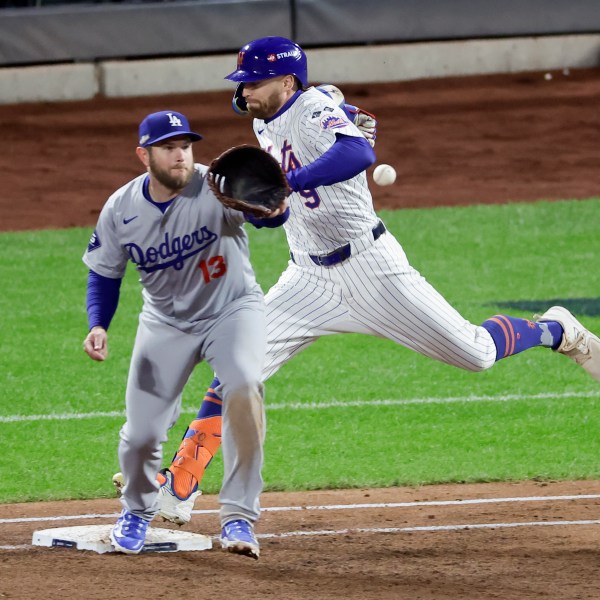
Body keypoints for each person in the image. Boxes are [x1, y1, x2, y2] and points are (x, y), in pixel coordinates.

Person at [116, 37, 600, 533]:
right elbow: (276, 211)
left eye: (253, 82)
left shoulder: (308, 110)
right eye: (242, 83)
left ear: (287, 82)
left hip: (372, 271)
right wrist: (269, 208)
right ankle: (181, 482)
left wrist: (298, 174)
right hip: (306, 278)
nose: (244, 93)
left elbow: (355, 151)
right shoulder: (265, 118)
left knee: (474, 353)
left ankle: (555, 330)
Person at [83, 109, 288, 559]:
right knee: (141, 434)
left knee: (244, 386)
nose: (180, 156)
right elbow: (104, 274)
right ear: (144, 155)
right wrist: (97, 323)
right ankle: (136, 511)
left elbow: (266, 218)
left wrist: (275, 211)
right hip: (165, 324)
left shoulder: (216, 185)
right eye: (168, 147)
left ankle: (238, 516)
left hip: (232, 310)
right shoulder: (120, 209)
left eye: (185, 146)